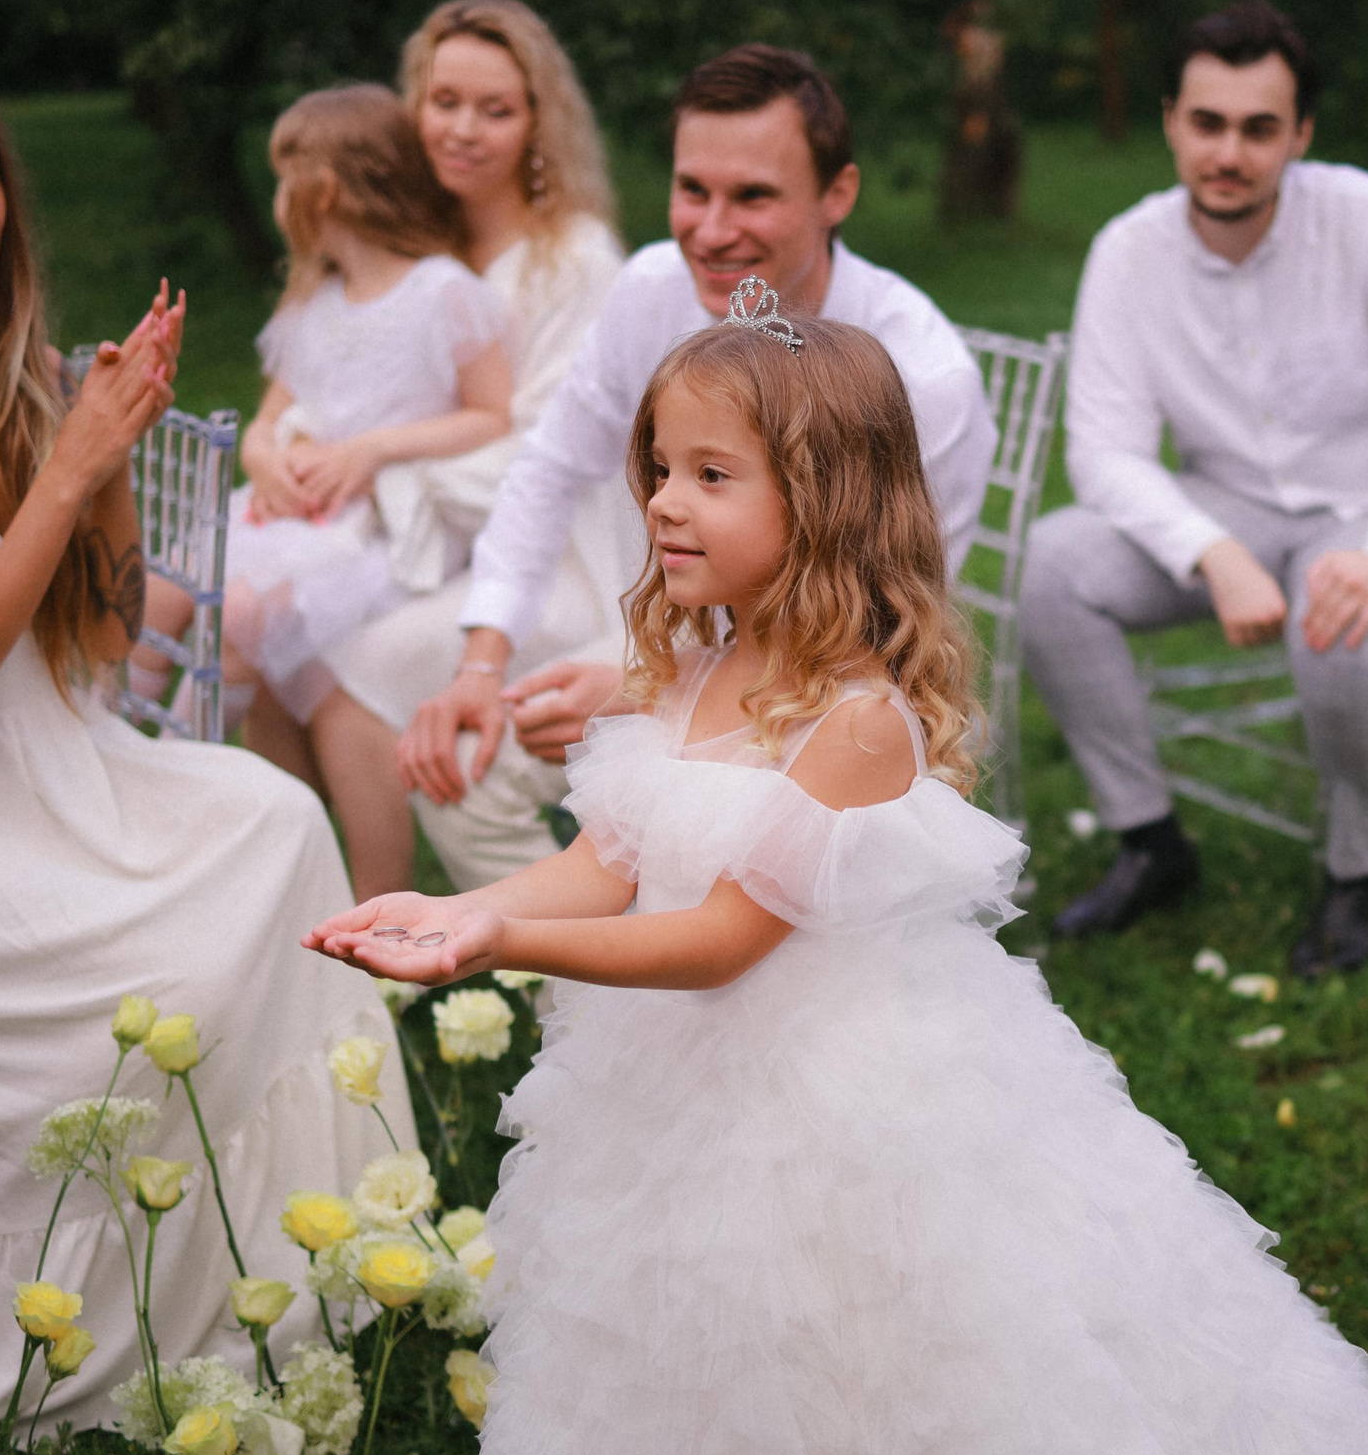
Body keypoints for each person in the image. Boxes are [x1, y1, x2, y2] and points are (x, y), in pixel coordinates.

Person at [306, 307, 1368, 1455]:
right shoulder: (696, 664)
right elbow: (610, 860)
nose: (665, 501)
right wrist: (466, 900)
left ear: (825, 501)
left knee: (872, 1380)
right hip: (672, 1099)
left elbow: (721, 937)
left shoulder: (856, 721)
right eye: (659, 465)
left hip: (843, 1116)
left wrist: (499, 942)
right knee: (682, 1360)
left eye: (713, 476)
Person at [0, 41, 409, 1451]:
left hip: (57, 767)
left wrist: (99, 457)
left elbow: (108, 644)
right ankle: (64, 1322)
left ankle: (287, 1262)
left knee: (278, 820)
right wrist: (67, 467)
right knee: (157, 973)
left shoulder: (26, 375)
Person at [394, 44, 992, 891]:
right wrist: (484, 662)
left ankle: (656, 949)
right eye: (692, 191)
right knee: (468, 755)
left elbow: (882, 619)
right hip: (662, 615)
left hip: (829, 680)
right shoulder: (647, 288)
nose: (711, 232)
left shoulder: (922, 375)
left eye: (753, 195)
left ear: (838, 195)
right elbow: (550, 466)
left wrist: (647, 688)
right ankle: (575, 982)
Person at [1021, 0, 1368, 976]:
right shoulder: (1127, 252)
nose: (1230, 153)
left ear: (1300, 134)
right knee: (1051, 566)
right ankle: (1151, 840)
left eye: (1260, 128)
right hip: (1234, 508)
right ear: (1171, 121)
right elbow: (1103, 451)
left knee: (1344, 623)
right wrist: (1208, 552)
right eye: (1207, 123)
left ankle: (1359, 875)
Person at [275, 0, 632, 898]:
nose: (462, 130)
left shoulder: (573, 258)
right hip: (423, 537)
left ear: (538, 125)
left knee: (355, 662)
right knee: (282, 632)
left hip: (560, 560)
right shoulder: (418, 246)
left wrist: (376, 463)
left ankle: (382, 913)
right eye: (444, 102)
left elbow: (550, 454)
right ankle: (295, 891)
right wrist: (294, 452)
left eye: (496, 109)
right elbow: (333, 374)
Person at [138, 82, 514, 900]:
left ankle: (183, 769)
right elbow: (270, 417)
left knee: (237, 615)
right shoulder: (314, 298)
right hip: (295, 513)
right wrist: (268, 458)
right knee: (166, 579)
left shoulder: (442, 290)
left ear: (325, 191)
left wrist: (372, 450)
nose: (275, 199)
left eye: (284, 178)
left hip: (368, 530)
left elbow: (493, 415)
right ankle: (115, 744)